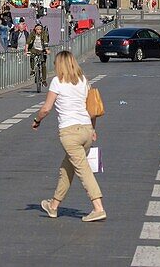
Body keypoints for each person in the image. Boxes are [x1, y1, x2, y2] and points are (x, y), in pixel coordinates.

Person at [33, 50, 106, 222]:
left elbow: (46, 108)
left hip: (70, 133)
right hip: (87, 130)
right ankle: (53, 205)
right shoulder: (83, 81)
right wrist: (93, 130)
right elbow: (92, 110)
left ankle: (98, 208)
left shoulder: (57, 82)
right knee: (67, 169)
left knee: (83, 170)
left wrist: (37, 121)